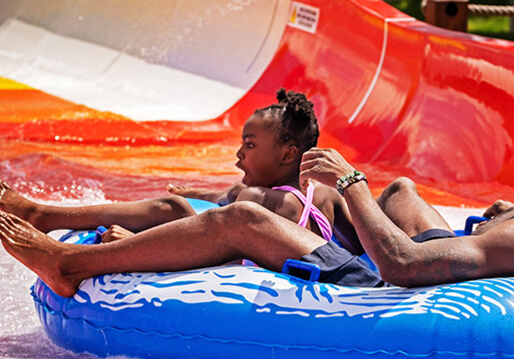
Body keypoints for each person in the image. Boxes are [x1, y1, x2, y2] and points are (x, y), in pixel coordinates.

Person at [1, 103, 514, 298]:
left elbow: (405, 270)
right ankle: (136, 237)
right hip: (436, 244)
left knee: (247, 217)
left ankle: (69, 263)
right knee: (404, 189)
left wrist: (350, 182)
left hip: (394, 281)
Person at [0, 89, 361, 251]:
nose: (238, 155)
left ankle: (45, 214)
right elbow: (359, 245)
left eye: (249, 146)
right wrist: (194, 193)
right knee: (183, 205)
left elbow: (220, 250)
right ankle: (45, 215)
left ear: (288, 154)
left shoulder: (253, 200)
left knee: (171, 212)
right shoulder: (327, 195)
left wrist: (135, 245)